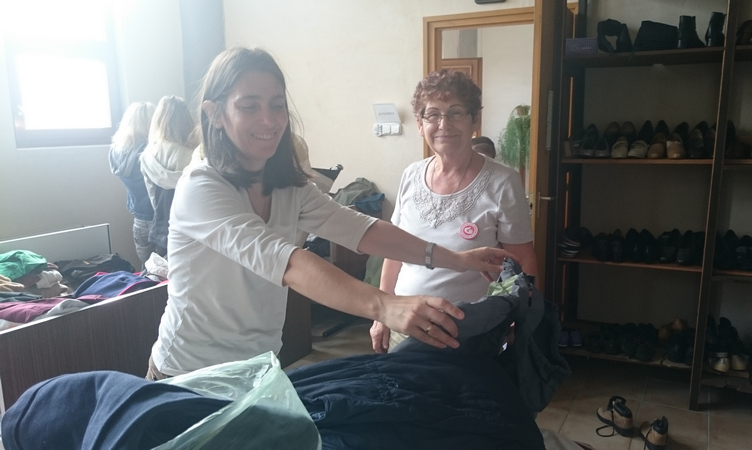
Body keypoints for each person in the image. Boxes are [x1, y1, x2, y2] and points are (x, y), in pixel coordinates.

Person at [146, 47, 513, 379]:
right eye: (249, 106)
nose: (269, 120)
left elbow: (362, 230)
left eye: (277, 105)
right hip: (189, 374)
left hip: (257, 369)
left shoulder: (287, 186)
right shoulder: (201, 187)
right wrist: (386, 307)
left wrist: (457, 260)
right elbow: (287, 263)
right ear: (215, 114)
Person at [370, 69, 540, 353]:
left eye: (455, 112)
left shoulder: (503, 181)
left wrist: (518, 319)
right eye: (432, 114)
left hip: (470, 331)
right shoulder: (411, 175)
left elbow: (522, 260)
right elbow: (394, 251)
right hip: (405, 324)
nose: (443, 124)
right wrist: (382, 312)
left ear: (474, 120)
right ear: (420, 125)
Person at [139, 95, 198, 257]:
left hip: (162, 228)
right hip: (192, 228)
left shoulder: (148, 155)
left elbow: (153, 197)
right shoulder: (196, 155)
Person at [108, 101, 156, 269]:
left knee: (147, 268)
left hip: (139, 220)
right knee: (166, 270)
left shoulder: (117, 151)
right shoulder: (151, 152)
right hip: (159, 218)